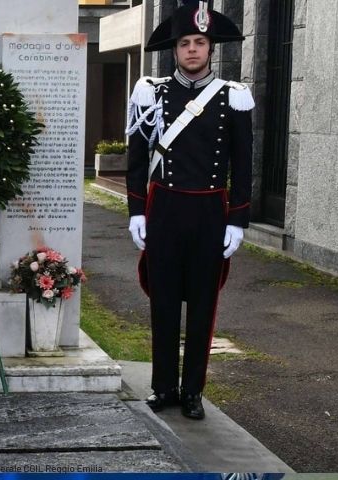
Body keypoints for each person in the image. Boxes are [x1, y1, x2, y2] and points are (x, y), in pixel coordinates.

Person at [125, 1, 254, 420]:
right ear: (175, 49)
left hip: (210, 212)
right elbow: (137, 157)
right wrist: (136, 210)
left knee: (202, 304)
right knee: (163, 302)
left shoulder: (232, 97)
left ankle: (193, 391)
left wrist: (237, 219)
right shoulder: (152, 92)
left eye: (200, 42)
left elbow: (244, 163)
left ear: (210, 48)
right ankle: (163, 387)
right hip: (164, 208)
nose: (193, 50)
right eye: (185, 43)